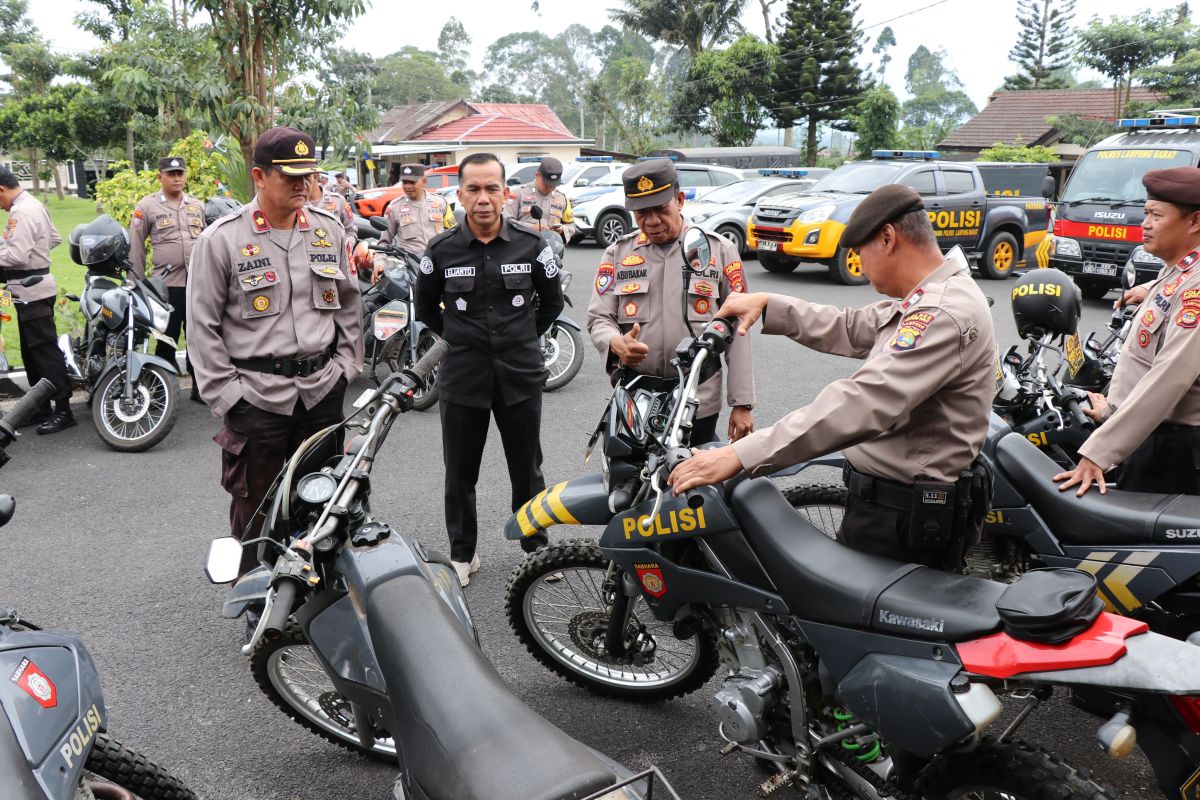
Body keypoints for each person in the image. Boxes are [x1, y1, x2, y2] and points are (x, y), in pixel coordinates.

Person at [669, 185, 996, 572]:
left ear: (888, 238)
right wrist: (770, 304)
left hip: (901, 520)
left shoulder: (943, 311)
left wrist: (740, 454)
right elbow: (851, 325)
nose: (858, 264)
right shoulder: (930, 297)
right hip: (890, 508)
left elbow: (863, 402)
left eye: (859, 252)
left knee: (852, 628)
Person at [188, 127, 363, 575]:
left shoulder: (326, 229)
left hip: (321, 391)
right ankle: (256, 601)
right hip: (257, 396)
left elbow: (348, 303)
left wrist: (346, 366)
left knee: (324, 499)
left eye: (309, 175)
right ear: (259, 177)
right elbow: (202, 327)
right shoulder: (221, 240)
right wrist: (228, 397)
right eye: (290, 177)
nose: (303, 184)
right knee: (256, 509)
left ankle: (319, 592)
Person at [415, 152, 564, 587]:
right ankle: (463, 553)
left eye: (492, 188)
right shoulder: (440, 250)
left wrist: (518, 337)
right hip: (463, 378)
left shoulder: (532, 245)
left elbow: (551, 304)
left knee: (527, 469)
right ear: (459, 194)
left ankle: (535, 549)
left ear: (506, 193)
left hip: (520, 375)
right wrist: (463, 340)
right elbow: (426, 309)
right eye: (474, 189)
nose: (483, 199)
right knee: (460, 472)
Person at [586, 158, 755, 444]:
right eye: (641, 212)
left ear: (679, 200)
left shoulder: (718, 251)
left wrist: (742, 403)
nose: (651, 221)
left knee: (698, 482)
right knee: (632, 481)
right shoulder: (618, 253)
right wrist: (616, 344)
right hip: (635, 397)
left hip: (698, 399)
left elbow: (739, 327)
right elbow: (598, 318)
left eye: (660, 210)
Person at [1055, 167, 1200, 497]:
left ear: (1194, 222)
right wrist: (1112, 408)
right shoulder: (1176, 270)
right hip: (1148, 437)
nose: (1144, 224)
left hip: (1173, 452)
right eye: (1145, 213)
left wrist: (1099, 451)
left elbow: (1169, 379)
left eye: (1156, 215)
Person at [0, 166, 74, 433]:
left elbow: (17, 256)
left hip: (32, 288)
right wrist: (34, 250)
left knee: (44, 351)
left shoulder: (22, 211)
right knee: (32, 352)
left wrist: (14, 251)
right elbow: (53, 237)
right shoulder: (33, 203)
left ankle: (64, 410)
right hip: (30, 288)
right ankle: (40, 406)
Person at [129, 156, 207, 402]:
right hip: (166, 287)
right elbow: (136, 246)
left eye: (180, 174)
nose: (177, 179)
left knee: (198, 338)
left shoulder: (196, 205)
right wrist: (137, 282)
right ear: (159, 176)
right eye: (171, 174)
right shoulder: (147, 206)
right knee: (166, 339)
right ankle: (161, 391)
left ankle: (199, 388)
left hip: (197, 284)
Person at [374, 163, 453, 278]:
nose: (408, 186)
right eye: (405, 182)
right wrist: (379, 263)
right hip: (411, 268)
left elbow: (453, 235)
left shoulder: (441, 203)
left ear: (424, 181)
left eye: (412, 182)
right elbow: (384, 242)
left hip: (441, 263)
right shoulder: (394, 207)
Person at [504, 157, 577, 244]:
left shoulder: (562, 198)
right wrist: (531, 227)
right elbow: (506, 221)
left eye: (553, 185)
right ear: (537, 175)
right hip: (522, 247)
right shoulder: (518, 193)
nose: (550, 188)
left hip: (551, 249)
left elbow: (571, 226)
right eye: (546, 184)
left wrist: (562, 229)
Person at [307, 173, 355, 248]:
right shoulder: (294, 204)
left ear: (315, 176)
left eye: (303, 177)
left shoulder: (338, 201)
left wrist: (344, 250)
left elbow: (351, 231)